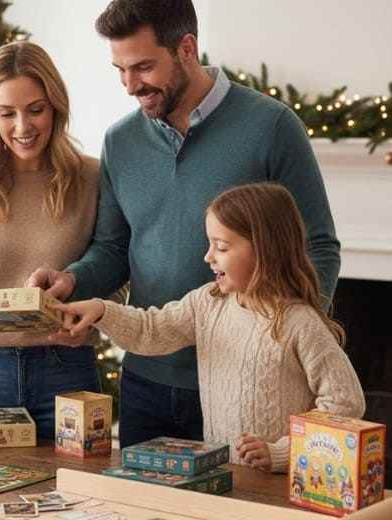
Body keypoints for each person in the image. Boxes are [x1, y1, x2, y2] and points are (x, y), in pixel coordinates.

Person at [27, 0, 341, 448]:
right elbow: (114, 249)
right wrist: (72, 279)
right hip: (145, 380)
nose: (130, 85)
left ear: (186, 48)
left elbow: (319, 246)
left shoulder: (272, 127)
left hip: (244, 386)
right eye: (119, 69)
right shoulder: (121, 140)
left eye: (143, 67)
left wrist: (290, 342)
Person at [50, 183, 364, 473]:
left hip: (278, 487)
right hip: (223, 475)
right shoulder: (208, 303)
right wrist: (102, 310)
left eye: (221, 247)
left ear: (264, 250)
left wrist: (283, 452)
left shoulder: (299, 323)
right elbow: (152, 330)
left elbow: (345, 403)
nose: (208, 256)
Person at [0, 41, 102, 439]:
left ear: (56, 107)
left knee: (79, 496)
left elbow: (115, 272)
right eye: (7, 113)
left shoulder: (92, 177)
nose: (23, 128)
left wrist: (95, 311)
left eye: (36, 110)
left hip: (68, 367)